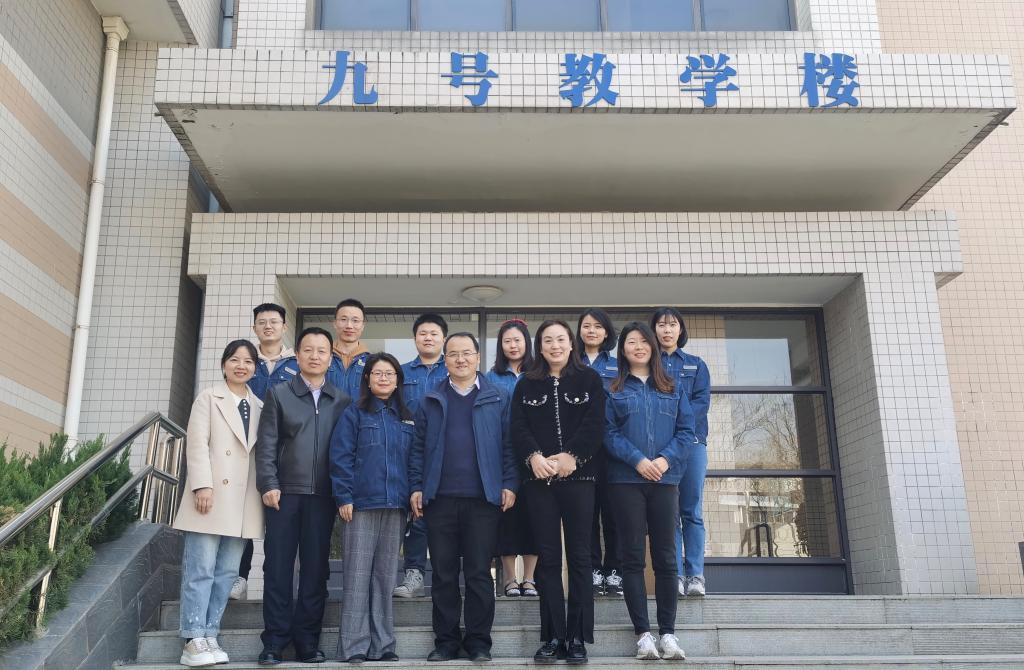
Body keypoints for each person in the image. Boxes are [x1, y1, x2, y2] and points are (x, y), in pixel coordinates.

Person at [408, 332, 518, 663]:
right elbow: (417, 449)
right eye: (453, 354)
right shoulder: (430, 399)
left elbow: (510, 445)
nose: (460, 359)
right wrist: (416, 486)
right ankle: (446, 641)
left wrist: (510, 483)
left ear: (478, 358)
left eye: (467, 353)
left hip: (483, 499)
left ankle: (479, 642)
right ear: (445, 360)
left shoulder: (498, 397)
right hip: (439, 499)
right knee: (443, 574)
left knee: (479, 573)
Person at [510, 320, 606, 665]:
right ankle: (552, 636)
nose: (555, 345)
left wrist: (572, 457)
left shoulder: (589, 379)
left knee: (580, 557)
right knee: (548, 559)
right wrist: (534, 457)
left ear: (571, 343)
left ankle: (577, 637)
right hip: (539, 482)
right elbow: (518, 427)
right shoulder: (526, 383)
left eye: (561, 339)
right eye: (548, 340)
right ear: (540, 346)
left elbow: (595, 424)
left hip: (580, 480)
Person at [255, 327, 352, 665]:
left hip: (323, 497)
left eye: (322, 351)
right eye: (308, 350)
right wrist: (268, 483)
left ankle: (307, 641)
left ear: (330, 358)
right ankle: (274, 641)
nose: (314, 356)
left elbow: (345, 450)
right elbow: (267, 443)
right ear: (296, 356)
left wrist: (342, 492)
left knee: (316, 571)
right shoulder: (279, 394)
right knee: (277, 568)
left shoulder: (341, 400)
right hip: (283, 494)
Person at [605, 322, 695, 661]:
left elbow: (686, 432)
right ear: (623, 350)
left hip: (665, 481)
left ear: (653, 346)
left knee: (666, 558)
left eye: (644, 341)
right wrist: (638, 460)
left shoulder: (672, 387)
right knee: (631, 558)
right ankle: (643, 634)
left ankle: (668, 633)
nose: (639, 346)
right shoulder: (613, 389)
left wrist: (664, 460)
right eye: (631, 342)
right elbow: (608, 433)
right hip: (625, 481)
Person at [173, 340, 264, 666]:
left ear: (255, 368)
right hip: (210, 497)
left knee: (226, 573)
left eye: (248, 361)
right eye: (235, 360)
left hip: (242, 503)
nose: (241, 366)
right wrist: (202, 485)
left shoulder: (259, 406)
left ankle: (210, 633)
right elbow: (197, 443)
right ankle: (192, 638)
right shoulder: (208, 398)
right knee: (200, 570)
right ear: (224, 364)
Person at [330, 353, 415, 663]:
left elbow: (413, 460)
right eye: (377, 373)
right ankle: (353, 647)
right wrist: (344, 497)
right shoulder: (354, 413)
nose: (383, 378)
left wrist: (413, 496)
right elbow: (340, 457)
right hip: (361, 505)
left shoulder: (406, 416)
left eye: (390, 374)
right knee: (356, 577)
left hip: (396, 506)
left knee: (385, 577)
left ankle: (382, 646)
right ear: (367, 378)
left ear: (398, 380)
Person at [232, 302, 299, 602]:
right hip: (245, 448)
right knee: (242, 513)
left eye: (274, 321)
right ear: (254, 327)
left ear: (285, 326)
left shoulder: (297, 363)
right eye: (262, 322)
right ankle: (239, 576)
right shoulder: (246, 360)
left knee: (278, 517)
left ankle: (275, 579)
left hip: (284, 452)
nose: (268, 326)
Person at [650, 307, 712, 598]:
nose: (667, 330)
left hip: (692, 444)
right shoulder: (649, 364)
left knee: (692, 511)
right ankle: (673, 575)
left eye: (672, 324)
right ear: (654, 330)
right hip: (661, 451)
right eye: (661, 325)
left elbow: (701, 403)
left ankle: (695, 575)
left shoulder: (696, 365)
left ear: (680, 330)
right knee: (669, 513)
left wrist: (676, 422)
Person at [394, 313, 449, 599]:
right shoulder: (401, 373)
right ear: (414, 338)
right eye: (423, 333)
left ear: (443, 338)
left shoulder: (453, 370)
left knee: (442, 518)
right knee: (414, 515)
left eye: (434, 333)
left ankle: (444, 576)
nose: (428, 338)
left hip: (446, 455)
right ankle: (413, 573)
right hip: (407, 453)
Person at [485, 319, 538, 599]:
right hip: (502, 455)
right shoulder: (490, 378)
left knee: (533, 517)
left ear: (526, 343)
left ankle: (529, 578)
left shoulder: (539, 374)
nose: (513, 345)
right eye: (507, 341)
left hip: (535, 458)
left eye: (517, 340)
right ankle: (508, 578)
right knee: (506, 517)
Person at [576, 308, 621, 598]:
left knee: (613, 512)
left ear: (606, 333)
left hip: (613, 449)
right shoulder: (571, 363)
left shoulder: (619, 366)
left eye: (597, 326)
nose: (591, 331)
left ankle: (614, 571)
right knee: (587, 513)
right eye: (586, 326)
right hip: (581, 450)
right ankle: (593, 569)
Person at [328, 299, 371, 400]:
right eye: (343, 319)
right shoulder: (321, 357)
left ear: (363, 326)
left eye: (355, 321)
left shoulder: (371, 362)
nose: (349, 326)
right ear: (335, 323)